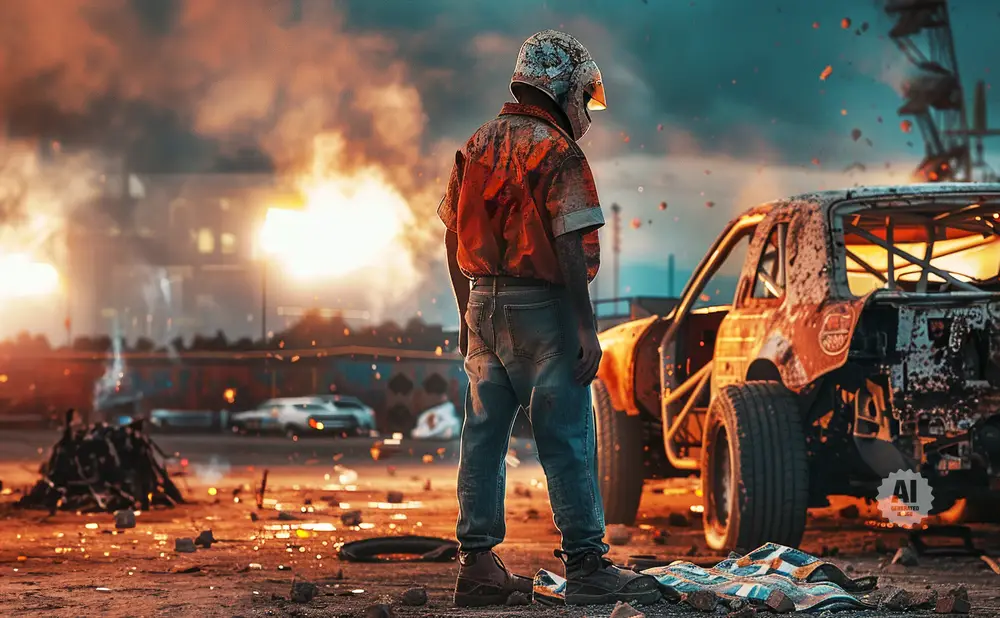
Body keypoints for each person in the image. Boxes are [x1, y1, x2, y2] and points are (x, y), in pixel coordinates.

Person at [437, 30, 661, 607]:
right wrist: (585, 326)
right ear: (562, 86)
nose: (583, 108)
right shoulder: (558, 152)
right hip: (544, 310)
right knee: (566, 438)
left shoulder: (476, 144)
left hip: (482, 304)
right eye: (582, 96)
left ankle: (476, 565)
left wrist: (466, 314)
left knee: (482, 437)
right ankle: (587, 565)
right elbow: (568, 243)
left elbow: (451, 234)